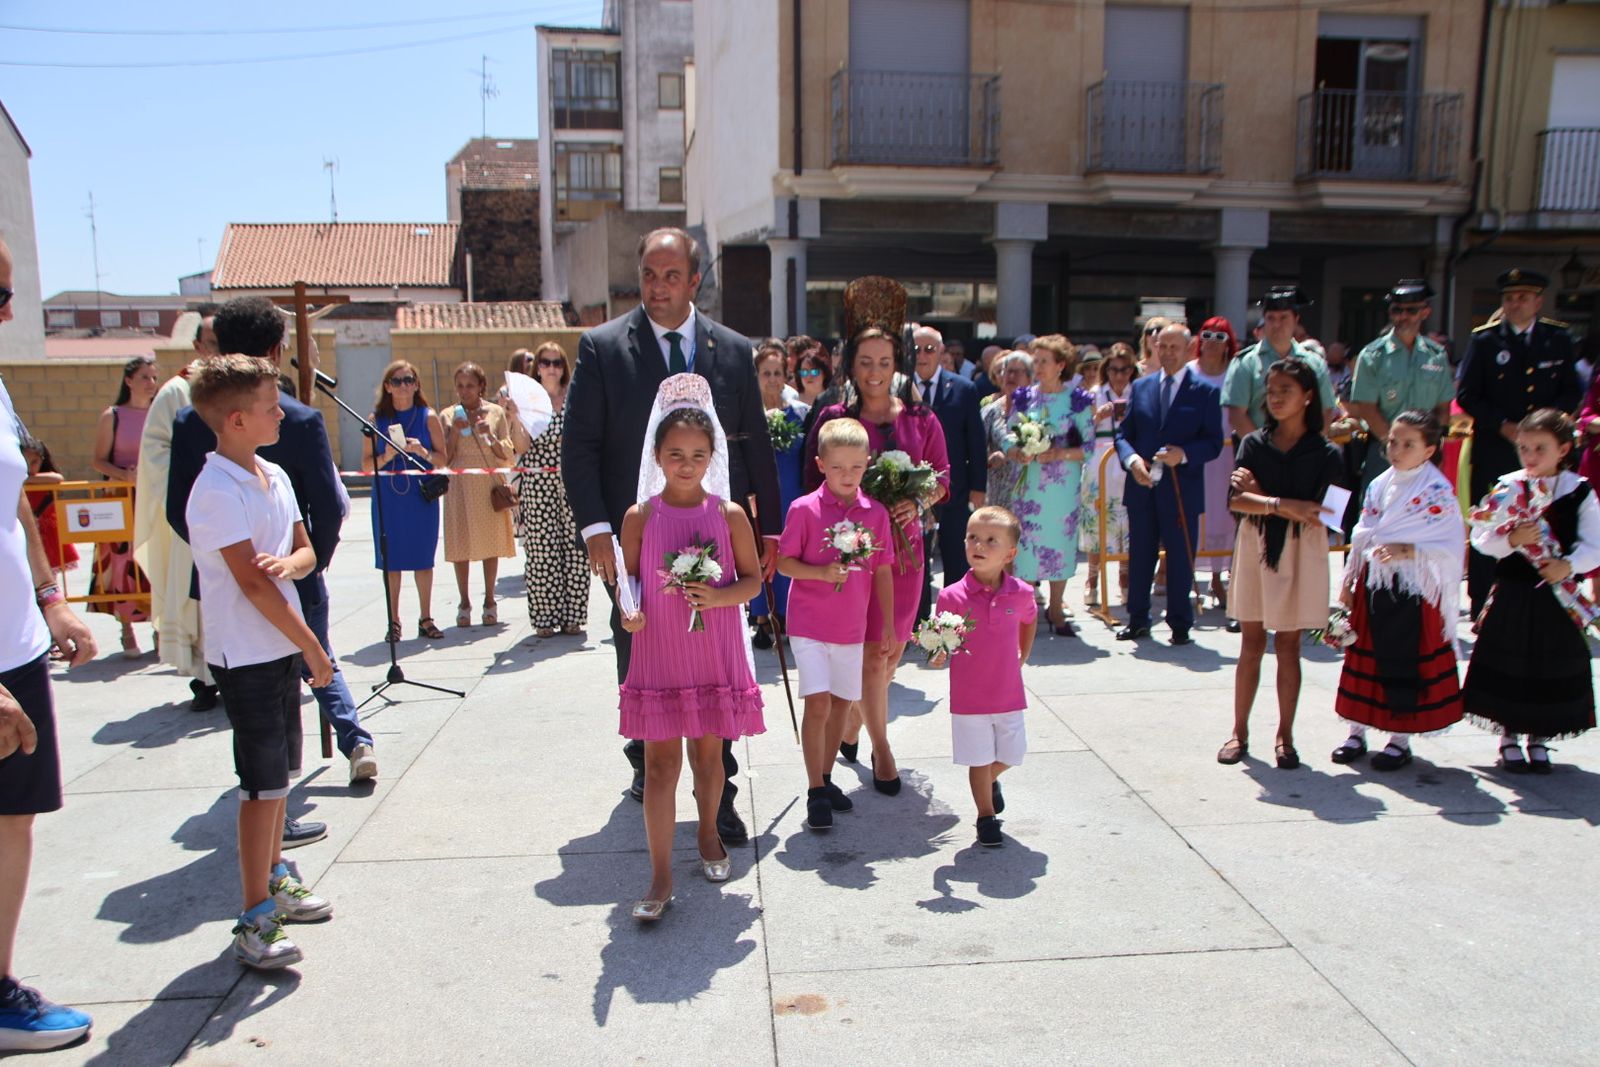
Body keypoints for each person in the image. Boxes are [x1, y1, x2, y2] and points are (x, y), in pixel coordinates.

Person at [562, 227, 781, 843]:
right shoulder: (604, 347)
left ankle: (721, 792)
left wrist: (771, 528)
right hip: (638, 536)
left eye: (671, 276)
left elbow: (755, 443)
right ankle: (648, 760)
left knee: (717, 657)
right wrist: (598, 528)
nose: (658, 287)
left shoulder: (732, 349)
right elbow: (580, 446)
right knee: (638, 646)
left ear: (694, 281)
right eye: (649, 275)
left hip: (712, 528)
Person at [168, 295, 374, 809]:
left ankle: (283, 811)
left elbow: (175, 511)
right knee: (282, 710)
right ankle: (351, 742)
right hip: (251, 608)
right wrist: (299, 569)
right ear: (277, 349)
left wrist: (295, 560)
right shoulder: (295, 423)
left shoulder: (205, 429)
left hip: (269, 580)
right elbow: (327, 509)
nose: (276, 414)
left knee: (283, 727)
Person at [184, 355, 337, 969]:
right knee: (260, 786)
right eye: (273, 405)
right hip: (246, 653)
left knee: (281, 778)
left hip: (278, 643)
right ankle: (253, 917)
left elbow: (303, 551)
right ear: (239, 419)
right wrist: (311, 644)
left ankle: (276, 877)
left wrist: (294, 567)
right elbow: (251, 584)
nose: (283, 412)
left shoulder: (272, 473)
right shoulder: (216, 490)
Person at [0, 232, 99, 1053]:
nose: (6, 311)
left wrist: (50, 601)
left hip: (18, 645)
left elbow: (19, 509)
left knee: (15, 817)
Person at [617, 377, 765, 921]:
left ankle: (707, 833)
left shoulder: (728, 516)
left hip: (712, 647)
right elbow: (628, 581)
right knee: (659, 766)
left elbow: (753, 582)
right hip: (657, 648)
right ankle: (659, 874)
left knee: (708, 754)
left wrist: (719, 594)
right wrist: (628, 611)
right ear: (657, 456)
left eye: (698, 455)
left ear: (712, 457)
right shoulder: (641, 517)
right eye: (675, 454)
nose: (686, 463)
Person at [803, 302, 950, 793]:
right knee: (867, 656)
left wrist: (916, 498)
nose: (874, 372)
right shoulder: (833, 418)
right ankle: (882, 749)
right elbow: (812, 481)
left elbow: (942, 478)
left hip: (904, 556)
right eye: (865, 361)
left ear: (898, 364)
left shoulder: (922, 419)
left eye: (884, 362)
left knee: (889, 654)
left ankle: (850, 725)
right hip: (848, 560)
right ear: (851, 364)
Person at [1220, 360, 1343, 769]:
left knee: (1289, 645)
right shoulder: (1253, 443)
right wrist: (1284, 504)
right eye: (1271, 390)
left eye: (1285, 389)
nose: (1275, 397)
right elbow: (1235, 501)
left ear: (1307, 396)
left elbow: (1328, 515)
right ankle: (1239, 732)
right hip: (1255, 543)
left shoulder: (1327, 452)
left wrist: (1265, 497)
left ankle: (1285, 736)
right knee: (1251, 641)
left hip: (1301, 551)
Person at [1463, 408, 1598, 773]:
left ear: (1564, 448)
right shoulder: (1509, 486)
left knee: (1548, 665)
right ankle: (1508, 737)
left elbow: (1594, 543)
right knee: (1511, 664)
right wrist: (1511, 538)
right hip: (1514, 592)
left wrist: (1568, 565)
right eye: (1524, 448)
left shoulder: (1579, 491)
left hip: (1557, 595)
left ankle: (1538, 737)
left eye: (1540, 448)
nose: (1531, 456)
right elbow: (1481, 536)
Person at [777, 417, 895, 832]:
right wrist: (822, 573)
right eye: (838, 466)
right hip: (809, 624)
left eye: (857, 467)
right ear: (821, 464)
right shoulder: (804, 509)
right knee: (820, 703)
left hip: (852, 626)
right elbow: (785, 562)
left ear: (868, 464)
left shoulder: (874, 513)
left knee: (843, 704)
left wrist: (888, 626)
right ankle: (814, 791)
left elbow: (882, 570)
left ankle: (825, 779)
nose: (848, 475)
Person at [1331, 410, 1465, 770]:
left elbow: (1452, 543)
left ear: (1429, 450)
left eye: (1408, 444)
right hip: (1373, 585)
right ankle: (1356, 732)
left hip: (1412, 590)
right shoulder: (1378, 484)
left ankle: (1398, 739)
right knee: (1362, 657)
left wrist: (1409, 550)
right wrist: (1347, 584)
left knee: (1403, 662)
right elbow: (1361, 535)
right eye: (1393, 441)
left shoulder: (1436, 490)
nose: (1397, 449)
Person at [1457, 269, 1581, 618]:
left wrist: (1546, 428)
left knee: (1550, 521)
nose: (1515, 303)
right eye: (1509, 297)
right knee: (1493, 522)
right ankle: (1484, 605)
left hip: (1545, 454)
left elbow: (1572, 389)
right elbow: (1467, 393)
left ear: (1538, 302)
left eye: (1523, 297)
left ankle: (1553, 598)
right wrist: (1503, 425)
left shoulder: (1557, 339)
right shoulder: (1485, 340)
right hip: (1497, 447)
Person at [929, 506, 1037, 848]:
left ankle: (990, 780)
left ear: (1010, 553)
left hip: (1007, 693)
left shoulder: (1021, 593)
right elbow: (940, 638)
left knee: (1012, 754)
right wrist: (938, 654)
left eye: (991, 540)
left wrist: (1025, 652)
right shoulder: (951, 596)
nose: (979, 544)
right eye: (973, 536)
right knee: (978, 759)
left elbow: (1029, 619)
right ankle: (986, 817)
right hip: (969, 697)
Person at [1114, 324, 1224, 646]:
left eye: (1175, 347)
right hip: (1142, 485)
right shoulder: (1142, 387)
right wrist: (1132, 461)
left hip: (1181, 487)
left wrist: (1185, 454)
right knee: (1140, 555)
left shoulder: (1205, 392)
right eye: (1162, 346)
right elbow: (1124, 435)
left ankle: (1180, 623)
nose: (1168, 353)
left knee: (1179, 557)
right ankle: (1137, 619)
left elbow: (1214, 443)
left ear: (1190, 350)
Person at [136, 312, 221, 711]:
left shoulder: (244, 388)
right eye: (212, 342)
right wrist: (195, 483)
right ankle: (205, 677)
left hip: (238, 509)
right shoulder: (177, 391)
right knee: (199, 598)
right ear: (199, 347)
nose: (218, 348)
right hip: (195, 512)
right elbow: (154, 450)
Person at [1004, 334, 1093, 635]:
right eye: (1035, 361)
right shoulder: (1024, 398)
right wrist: (1017, 451)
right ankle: (1025, 610)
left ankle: (1056, 607)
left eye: (1044, 361)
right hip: (1029, 485)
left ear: (1060, 365)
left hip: (1062, 488)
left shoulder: (1076, 400)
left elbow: (1090, 446)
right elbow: (1007, 437)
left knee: (1059, 546)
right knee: (1026, 548)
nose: (1038, 367)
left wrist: (1060, 453)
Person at [1346, 280, 1454, 496]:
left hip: (1425, 452)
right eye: (1397, 310)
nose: (1403, 316)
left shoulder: (1436, 355)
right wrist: (1396, 445)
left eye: (1411, 311)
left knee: (1426, 512)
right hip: (1384, 449)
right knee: (1377, 511)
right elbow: (1366, 407)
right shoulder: (1373, 355)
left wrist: (1428, 447)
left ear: (1425, 312)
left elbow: (1443, 408)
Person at [363, 360, 446, 640]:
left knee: (423, 558)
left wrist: (423, 451)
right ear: (387, 387)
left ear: (417, 384)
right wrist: (386, 455)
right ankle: (394, 621)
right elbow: (365, 465)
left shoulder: (428, 416)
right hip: (389, 497)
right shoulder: (375, 420)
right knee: (392, 560)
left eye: (409, 379)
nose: (403, 386)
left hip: (420, 496)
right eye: (397, 381)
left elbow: (443, 459)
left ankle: (425, 617)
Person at [441, 361, 523, 628]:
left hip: (488, 484)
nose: (464, 391)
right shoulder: (448, 415)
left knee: (490, 544)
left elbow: (508, 456)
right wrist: (454, 431)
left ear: (481, 387)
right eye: (460, 386)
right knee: (460, 544)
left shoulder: (496, 413)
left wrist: (489, 437)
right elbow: (444, 458)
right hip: (460, 486)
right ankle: (464, 602)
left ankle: (490, 600)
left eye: (470, 385)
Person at [89, 355, 159, 658]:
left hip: (153, 497)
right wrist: (123, 475)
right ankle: (126, 629)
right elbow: (98, 459)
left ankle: (160, 627)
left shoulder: (160, 414)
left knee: (154, 560)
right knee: (120, 563)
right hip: (120, 498)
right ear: (129, 380)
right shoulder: (113, 415)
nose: (151, 383)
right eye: (144, 376)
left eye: (154, 377)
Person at [517, 342, 588, 639]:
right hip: (538, 483)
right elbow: (521, 448)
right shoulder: (528, 400)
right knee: (542, 550)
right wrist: (513, 417)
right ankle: (545, 617)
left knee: (575, 550)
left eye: (557, 362)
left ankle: (573, 617)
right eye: (545, 362)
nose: (551, 368)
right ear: (537, 368)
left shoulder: (576, 397)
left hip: (572, 481)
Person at [911, 325, 986, 601]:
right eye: (916, 349)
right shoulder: (900, 388)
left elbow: (975, 442)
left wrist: (978, 487)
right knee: (916, 560)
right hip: (913, 493)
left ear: (941, 352)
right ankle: (916, 623)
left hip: (955, 490)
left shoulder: (963, 388)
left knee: (956, 556)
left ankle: (954, 621)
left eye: (929, 349)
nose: (922, 355)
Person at [750, 339, 808, 648]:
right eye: (766, 373)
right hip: (760, 495)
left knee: (790, 551)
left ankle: (788, 615)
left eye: (777, 373)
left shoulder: (800, 413)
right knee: (761, 550)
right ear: (756, 375)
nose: (772, 379)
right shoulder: (749, 414)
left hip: (792, 494)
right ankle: (762, 616)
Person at [1222, 286, 1338, 441]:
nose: (1277, 324)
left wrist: (1310, 448)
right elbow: (1236, 415)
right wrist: (1263, 450)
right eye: (1271, 318)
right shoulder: (1246, 362)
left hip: (1305, 455)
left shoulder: (1314, 363)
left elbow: (1326, 410)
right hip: (1259, 455)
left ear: (1296, 320)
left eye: (1283, 318)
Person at [1190, 318, 1239, 622]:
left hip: (1229, 453)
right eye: (1206, 334)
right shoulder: (1189, 372)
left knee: (1226, 514)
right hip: (1196, 454)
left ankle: (1224, 579)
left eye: (1219, 336)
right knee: (1199, 514)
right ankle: (1195, 580)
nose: (1211, 341)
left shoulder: (1235, 373)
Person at [1081, 343, 1138, 608]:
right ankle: (1092, 578)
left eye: (1124, 370)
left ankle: (1125, 577)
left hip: (1126, 458)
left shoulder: (1137, 392)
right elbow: (1080, 430)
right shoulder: (1095, 394)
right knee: (1097, 518)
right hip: (1099, 459)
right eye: (1114, 370)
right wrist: (1097, 416)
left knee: (1127, 519)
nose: (1119, 376)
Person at [21, 438, 76, 584]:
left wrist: (26, 479)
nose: (30, 467)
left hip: (46, 531)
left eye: (35, 462)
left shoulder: (43, 478)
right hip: (25, 530)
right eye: (26, 462)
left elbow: (58, 478)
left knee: (49, 572)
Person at [982, 352, 1029, 516]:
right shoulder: (991, 411)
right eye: (1007, 371)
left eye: (1018, 372)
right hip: (998, 495)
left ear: (1030, 377)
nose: (1011, 376)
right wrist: (989, 458)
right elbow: (977, 449)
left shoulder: (1037, 410)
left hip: (1030, 495)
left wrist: (1008, 455)